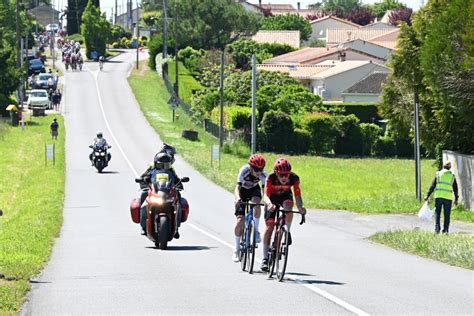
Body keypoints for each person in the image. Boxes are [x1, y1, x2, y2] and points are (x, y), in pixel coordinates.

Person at [260, 157, 306, 272]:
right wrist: (269, 204)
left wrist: (300, 207)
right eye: (281, 175)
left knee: (289, 208)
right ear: (276, 173)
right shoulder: (270, 177)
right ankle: (265, 258)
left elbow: (297, 195)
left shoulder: (294, 178)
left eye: (286, 174)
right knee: (270, 226)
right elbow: (265, 195)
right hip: (271, 198)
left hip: (285, 196)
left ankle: (287, 231)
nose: (285, 178)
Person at [138, 151, 183, 237]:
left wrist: (180, 184)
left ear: (169, 164)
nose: (163, 167)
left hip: (167, 193)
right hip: (155, 192)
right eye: (161, 165)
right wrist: (144, 182)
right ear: (156, 164)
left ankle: (176, 227)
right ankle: (143, 227)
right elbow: (143, 177)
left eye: (166, 165)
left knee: (179, 204)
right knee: (143, 204)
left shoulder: (171, 172)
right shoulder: (152, 170)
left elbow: (177, 180)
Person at [232, 154, 267, 263]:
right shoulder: (244, 171)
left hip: (253, 190)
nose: (259, 172)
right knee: (240, 221)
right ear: (251, 167)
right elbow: (237, 187)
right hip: (242, 191)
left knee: (257, 204)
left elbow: (265, 191)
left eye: (261, 169)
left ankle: (256, 231)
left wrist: (266, 202)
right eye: (256, 169)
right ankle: (236, 249)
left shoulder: (263, 175)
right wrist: (237, 198)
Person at [425, 161, 459, 234]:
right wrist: (456, 198)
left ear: (443, 166)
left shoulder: (438, 174)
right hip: (448, 198)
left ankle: (437, 229)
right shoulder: (452, 176)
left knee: (438, 213)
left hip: (438, 196)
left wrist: (427, 195)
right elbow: (455, 188)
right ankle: (445, 230)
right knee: (447, 215)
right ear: (450, 167)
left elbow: (432, 186)